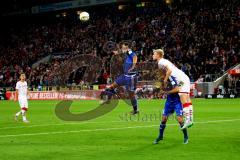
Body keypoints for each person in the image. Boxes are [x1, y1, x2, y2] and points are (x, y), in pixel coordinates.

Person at [152, 49, 193, 129]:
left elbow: (169, 70)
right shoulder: (164, 61)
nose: (153, 55)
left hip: (181, 80)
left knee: (183, 99)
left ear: (158, 55)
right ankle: (190, 119)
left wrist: (164, 80)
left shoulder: (161, 62)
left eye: (154, 54)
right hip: (183, 78)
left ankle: (188, 120)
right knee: (187, 99)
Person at [100, 41, 139, 115]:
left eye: (123, 47)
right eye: (122, 47)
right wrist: (117, 55)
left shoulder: (129, 52)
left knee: (131, 94)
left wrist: (133, 65)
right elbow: (121, 61)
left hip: (131, 77)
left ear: (127, 47)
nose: (122, 48)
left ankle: (135, 110)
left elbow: (135, 57)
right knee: (112, 86)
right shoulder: (124, 55)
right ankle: (106, 99)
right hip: (125, 76)